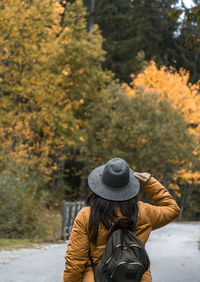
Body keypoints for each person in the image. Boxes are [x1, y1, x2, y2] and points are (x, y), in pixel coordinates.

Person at [62, 157, 180, 282]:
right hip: (134, 278)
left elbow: (75, 261)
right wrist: (150, 183)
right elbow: (173, 209)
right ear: (129, 186)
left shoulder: (87, 215)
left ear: (100, 184)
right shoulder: (143, 212)